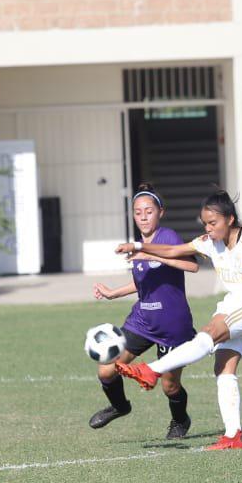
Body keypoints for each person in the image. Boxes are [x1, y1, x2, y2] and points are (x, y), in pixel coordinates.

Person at [113, 191, 242, 451]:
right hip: (234, 303)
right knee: (223, 369)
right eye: (205, 223)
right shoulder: (208, 242)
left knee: (209, 333)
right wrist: (138, 246)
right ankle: (233, 436)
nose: (208, 228)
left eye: (213, 223)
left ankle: (151, 370)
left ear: (230, 219)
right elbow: (173, 250)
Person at [89, 185, 196, 439]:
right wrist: (113, 293)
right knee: (106, 369)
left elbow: (191, 266)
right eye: (138, 213)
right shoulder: (137, 247)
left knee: (170, 387)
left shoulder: (167, 237)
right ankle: (120, 406)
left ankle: (180, 420)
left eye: (149, 211)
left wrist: (148, 253)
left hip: (173, 326)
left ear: (161, 212)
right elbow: (143, 281)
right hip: (142, 321)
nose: (144, 216)